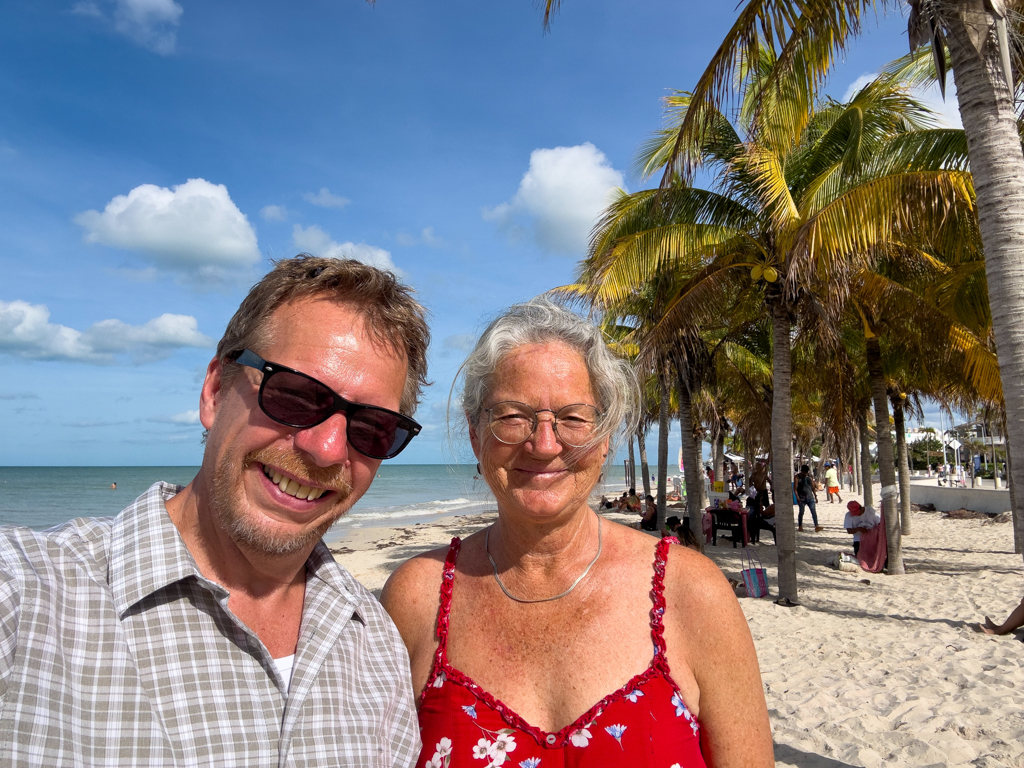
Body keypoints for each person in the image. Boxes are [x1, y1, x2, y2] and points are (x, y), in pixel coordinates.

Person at [0, 256, 427, 765]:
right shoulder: (28, 594)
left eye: (373, 428)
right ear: (216, 390)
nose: (328, 449)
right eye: (295, 395)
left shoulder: (375, 642)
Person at [381, 298, 773, 767]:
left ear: (604, 437)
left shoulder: (690, 592)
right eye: (511, 415)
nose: (544, 444)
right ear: (474, 434)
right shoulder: (416, 597)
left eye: (572, 418)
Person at [794, 464, 822, 533]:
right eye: (804, 472)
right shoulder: (797, 477)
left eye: (806, 472)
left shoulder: (809, 477)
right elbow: (795, 488)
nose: (805, 474)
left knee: (813, 512)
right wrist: (797, 497)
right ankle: (800, 526)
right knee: (801, 512)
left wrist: (815, 496)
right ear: (801, 471)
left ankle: (816, 526)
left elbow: (812, 487)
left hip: (810, 497)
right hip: (801, 498)